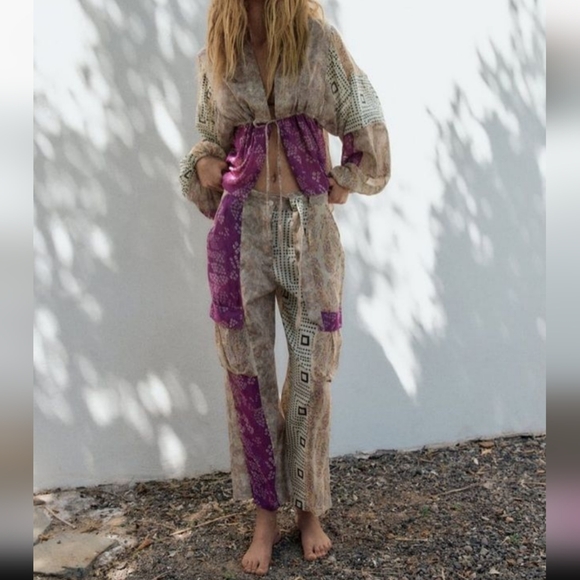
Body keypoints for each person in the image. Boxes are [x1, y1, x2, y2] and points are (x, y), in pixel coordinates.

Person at [179, 0, 390, 575]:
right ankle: (265, 516)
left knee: (311, 373)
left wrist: (347, 177)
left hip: (307, 228)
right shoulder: (218, 52)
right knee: (246, 375)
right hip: (241, 228)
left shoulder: (316, 40)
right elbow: (209, 137)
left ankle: (309, 509)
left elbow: (361, 111)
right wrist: (204, 165)